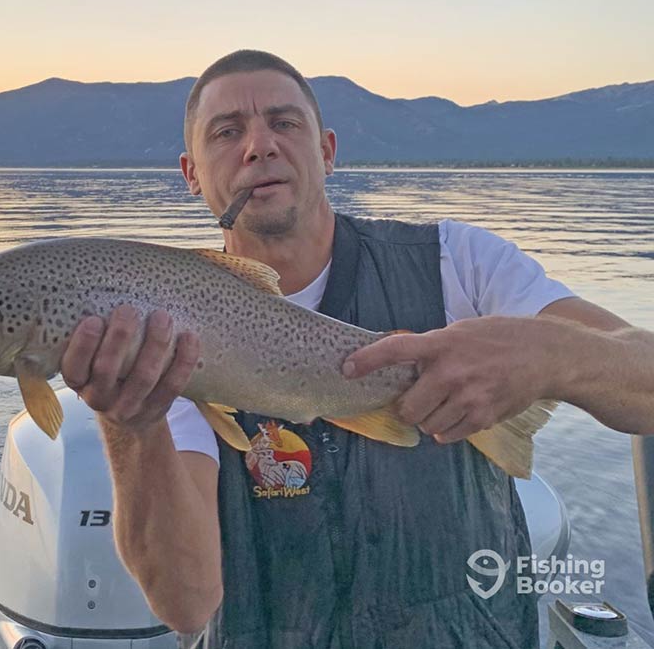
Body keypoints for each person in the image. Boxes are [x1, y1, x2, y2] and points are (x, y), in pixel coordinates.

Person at [59, 49, 654, 648]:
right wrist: (129, 423)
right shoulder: (166, 332)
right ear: (191, 174)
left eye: (285, 123)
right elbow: (187, 604)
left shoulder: (459, 264)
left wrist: (547, 353)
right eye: (227, 132)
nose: (259, 146)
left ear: (327, 152)